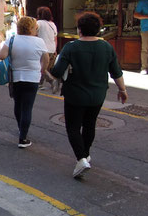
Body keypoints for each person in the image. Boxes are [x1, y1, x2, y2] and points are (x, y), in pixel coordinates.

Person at [50, 12, 127, 178]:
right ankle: (85, 154)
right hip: (98, 95)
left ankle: (81, 158)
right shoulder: (106, 47)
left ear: (79, 30)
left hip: (75, 94)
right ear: (98, 29)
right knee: (90, 124)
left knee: (73, 127)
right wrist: (123, 90)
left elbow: (56, 71)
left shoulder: (71, 47)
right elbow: (116, 72)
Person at [0, 16, 50, 148]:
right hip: (32, 78)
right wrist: (42, 70)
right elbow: (46, 59)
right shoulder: (39, 42)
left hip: (15, 77)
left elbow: (1, 56)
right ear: (31, 28)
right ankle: (23, 138)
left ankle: (21, 128)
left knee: (18, 104)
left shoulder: (13, 39)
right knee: (27, 107)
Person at [36, 6, 58, 87]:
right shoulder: (53, 24)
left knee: (41, 67)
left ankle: (52, 81)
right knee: (44, 67)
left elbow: (34, 34)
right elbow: (55, 38)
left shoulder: (38, 23)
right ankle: (39, 83)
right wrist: (55, 49)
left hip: (42, 48)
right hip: (52, 48)